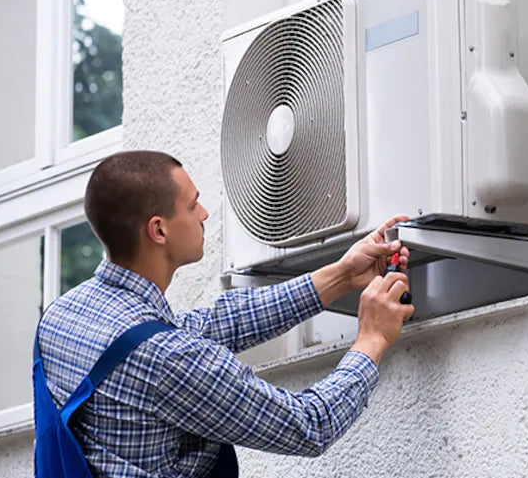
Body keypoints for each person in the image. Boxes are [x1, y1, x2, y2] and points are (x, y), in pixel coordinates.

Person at [36, 150, 413, 477]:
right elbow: (309, 425)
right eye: (192, 205)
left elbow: (208, 326)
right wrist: (372, 339)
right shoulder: (168, 359)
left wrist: (342, 275)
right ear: (159, 230)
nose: (204, 213)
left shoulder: (62, 316)